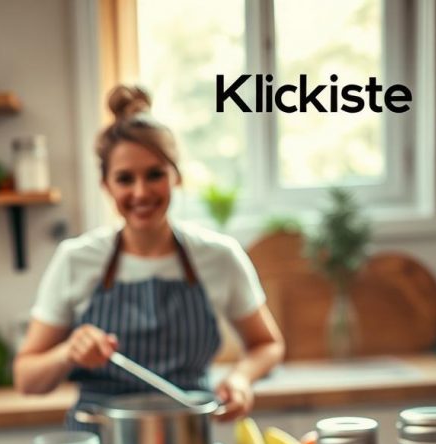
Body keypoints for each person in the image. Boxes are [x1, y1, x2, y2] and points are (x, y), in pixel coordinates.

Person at [15, 84, 284, 421]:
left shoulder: (219, 256)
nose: (141, 192)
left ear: (176, 177)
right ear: (106, 185)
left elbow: (268, 345)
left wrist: (241, 378)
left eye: (154, 174)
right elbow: (26, 379)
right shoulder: (75, 259)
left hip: (189, 443)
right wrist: (69, 352)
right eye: (125, 179)